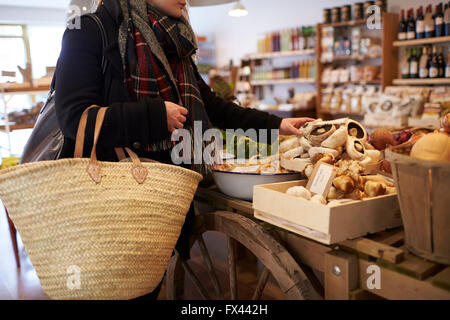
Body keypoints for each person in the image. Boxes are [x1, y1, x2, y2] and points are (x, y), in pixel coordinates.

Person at [54, 0, 314, 300]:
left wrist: (277, 126)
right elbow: (76, 120)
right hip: (110, 202)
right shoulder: (90, 29)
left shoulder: (175, 41)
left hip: (164, 201)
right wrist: (153, 116)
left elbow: (213, 106)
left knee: (148, 289)